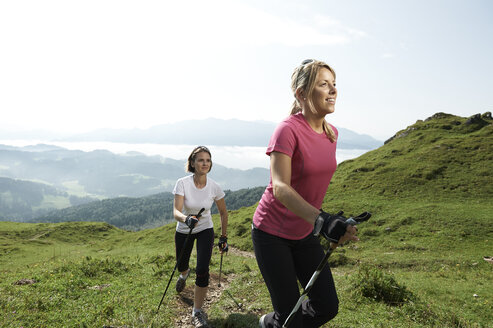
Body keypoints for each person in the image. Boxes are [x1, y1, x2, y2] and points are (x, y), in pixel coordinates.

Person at [252, 59, 359, 328]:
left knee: (327, 307)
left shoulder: (332, 134)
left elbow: (311, 184)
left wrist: (335, 224)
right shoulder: (287, 130)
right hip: (271, 234)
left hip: (304, 233)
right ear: (301, 93)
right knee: (291, 317)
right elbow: (280, 187)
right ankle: (280, 321)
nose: (333, 90)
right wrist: (322, 220)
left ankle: (273, 323)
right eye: (324, 84)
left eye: (334, 84)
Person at [172, 145, 229, 328]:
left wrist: (223, 237)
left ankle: (197, 311)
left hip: (205, 229)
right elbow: (176, 211)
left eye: (208, 160)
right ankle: (184, 274)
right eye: (201, 160)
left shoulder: (214, 187)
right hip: (184, 228)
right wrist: (186, 219)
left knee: (203, 269)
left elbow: (223, 212)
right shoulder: (182, 183)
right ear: (193, 163)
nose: (205, 163)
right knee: (182, 264)